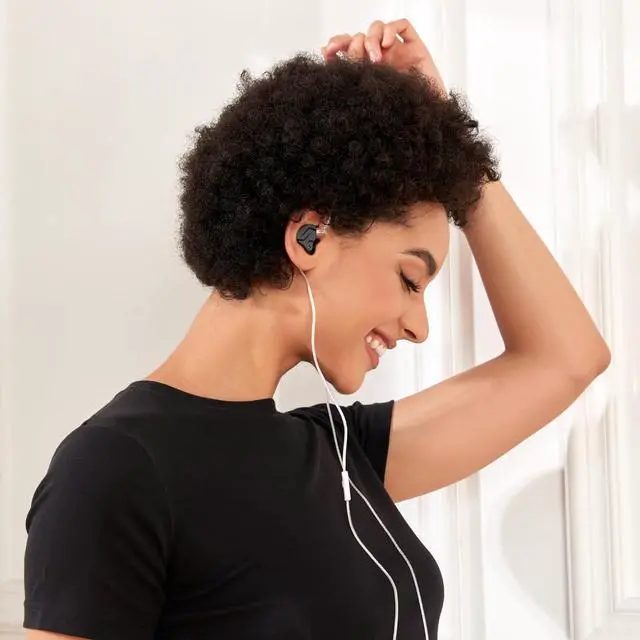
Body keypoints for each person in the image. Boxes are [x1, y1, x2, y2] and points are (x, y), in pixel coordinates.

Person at [23, 18, 610, 640]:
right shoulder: (114, 468)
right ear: (309, 237)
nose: (419, 328)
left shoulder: (339, 452)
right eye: (410, 279)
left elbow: (567, 358)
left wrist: (451, 142)